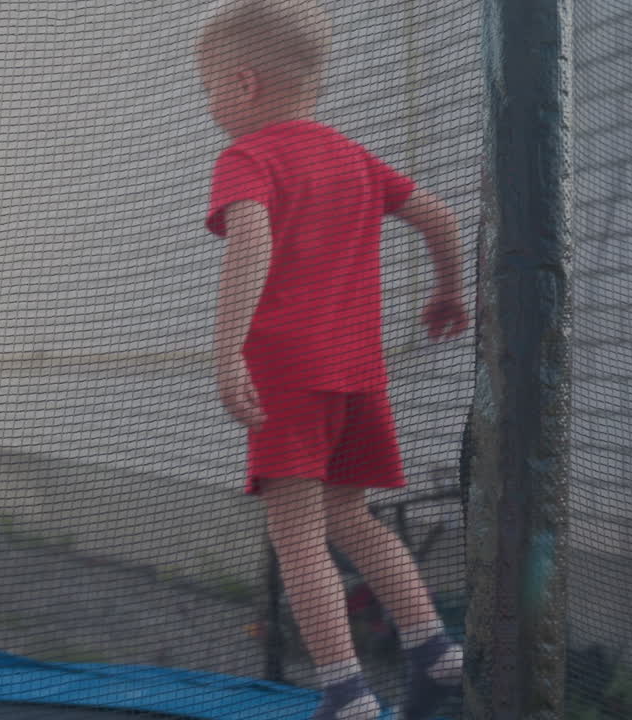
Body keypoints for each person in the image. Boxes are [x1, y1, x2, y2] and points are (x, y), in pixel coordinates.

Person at [196, 2, 469, 719]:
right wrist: (447, 289)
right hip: (358, 375)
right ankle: (436, 651)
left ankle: (347, 691)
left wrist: (228, 354)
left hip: (289, 376)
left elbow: (251, 241)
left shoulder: (248, 157)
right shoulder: (353, 157)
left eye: (208, 89)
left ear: (245, 84)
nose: (209, 104)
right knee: (353, 518)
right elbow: (441, 218)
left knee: (297, 536)